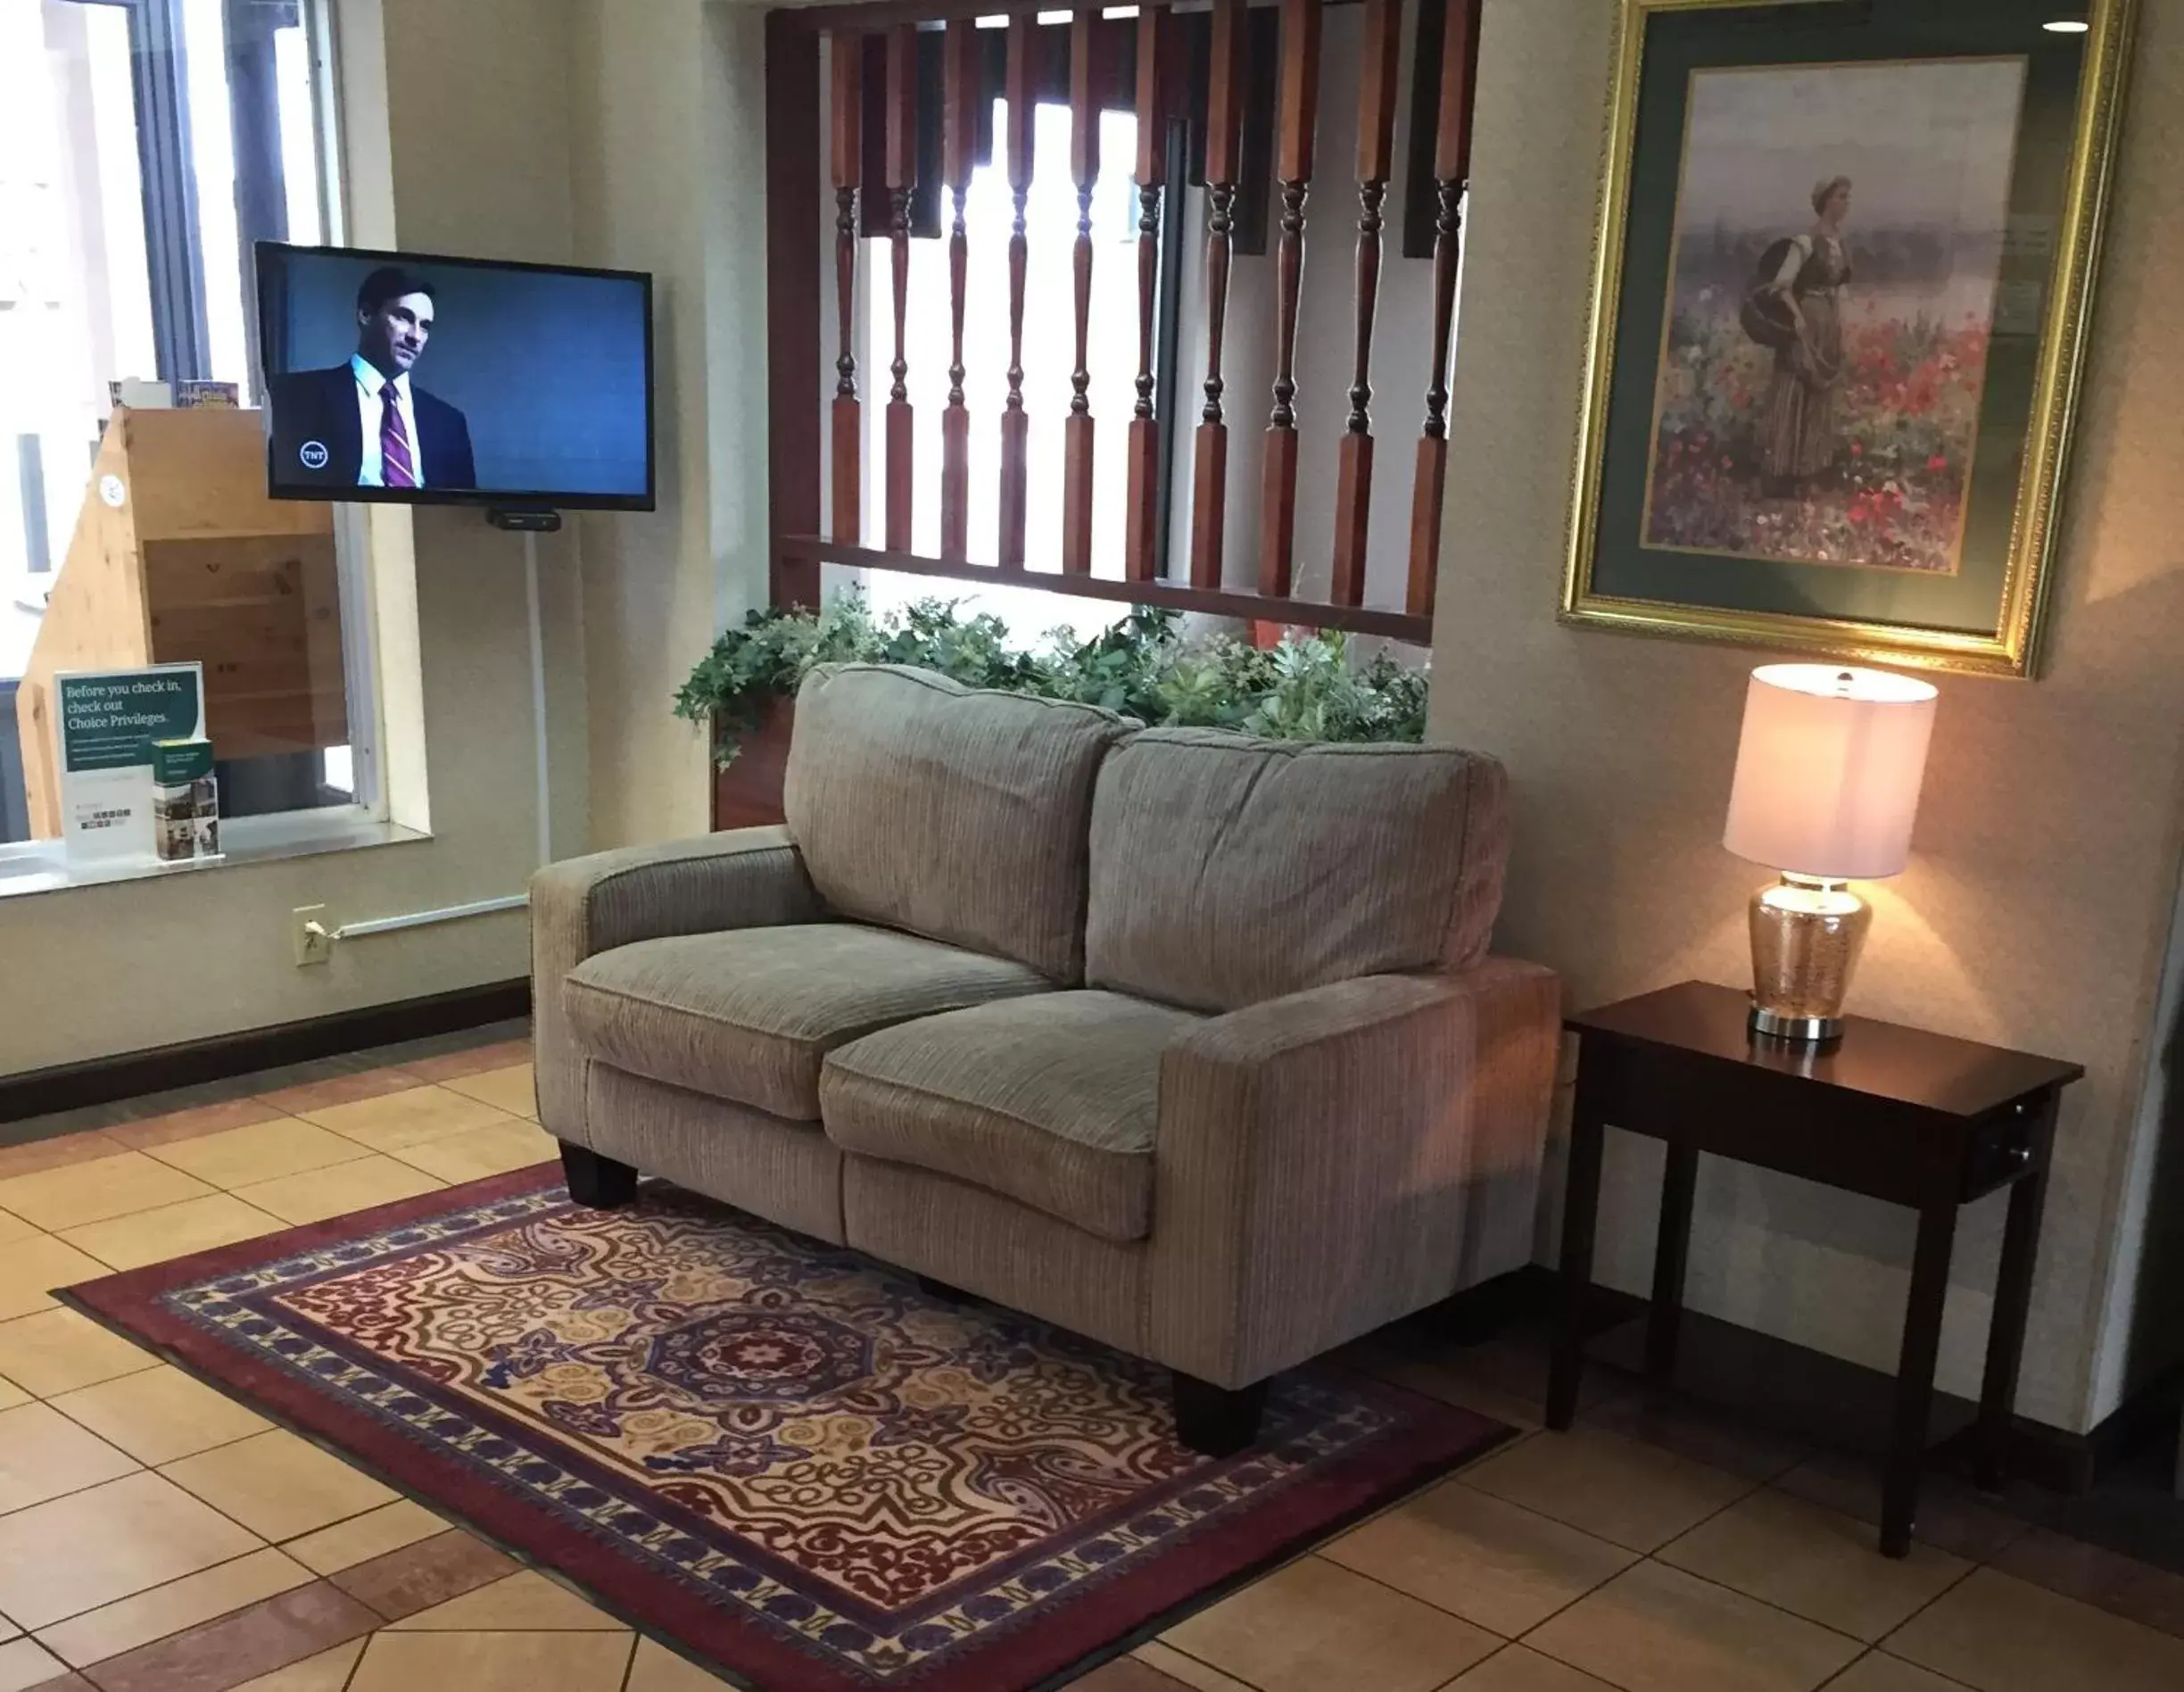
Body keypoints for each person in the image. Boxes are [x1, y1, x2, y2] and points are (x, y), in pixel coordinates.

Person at [269, 266, 476, 490]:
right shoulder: (295, 395)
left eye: (425, 327)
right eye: (404, 318)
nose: (415, 337)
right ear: (366, 315)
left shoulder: (449, 422)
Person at [1759, 175, 1852, 496]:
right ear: (1826, 201)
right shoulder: (1805, 241)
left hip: (1827, 322)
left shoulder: (1839, 242)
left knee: (1819, 396)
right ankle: (1782, 471)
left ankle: (1810, 468)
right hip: (1805, 319)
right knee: (1795, 389)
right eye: (1841, 197)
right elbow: (1780, 286)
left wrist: (1837, 324)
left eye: (1847, 197)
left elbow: (1836, 288)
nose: (1846, 203)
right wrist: (1797, 318)